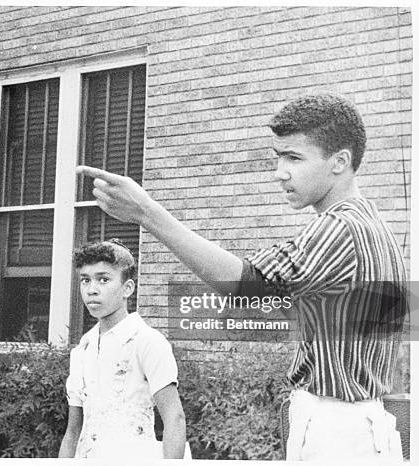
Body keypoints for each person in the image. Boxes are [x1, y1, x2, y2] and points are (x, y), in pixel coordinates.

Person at [77, 93, 406, 461]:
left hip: (336, 430)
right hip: (363, 423)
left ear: (340, 162)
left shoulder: (338, 228)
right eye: (278, 156)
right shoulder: (374, 225)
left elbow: (247, 285)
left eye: (294, 157)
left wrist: (147, 213)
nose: (279, 171)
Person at [59, 239, 188, 459]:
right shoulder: (83, 349)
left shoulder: (146, 341)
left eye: (103, 280)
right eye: (85, 280)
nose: (92, 290)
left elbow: (174, 419)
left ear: (127, 288)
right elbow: (73, 431)